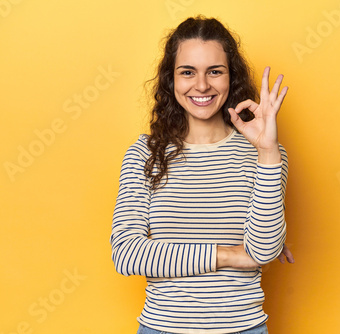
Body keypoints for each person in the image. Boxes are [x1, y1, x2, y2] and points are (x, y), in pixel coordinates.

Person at [110, 15, 294, 334]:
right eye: (187, 72)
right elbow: (127, 253)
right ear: (172, 80)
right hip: (163, 328)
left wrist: (267, 150)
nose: (202, 85)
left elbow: (263, 251)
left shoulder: (266, 154)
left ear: (230, 77)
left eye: (215, 71)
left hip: (243, 328)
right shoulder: (144, 154)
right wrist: (228, 254)